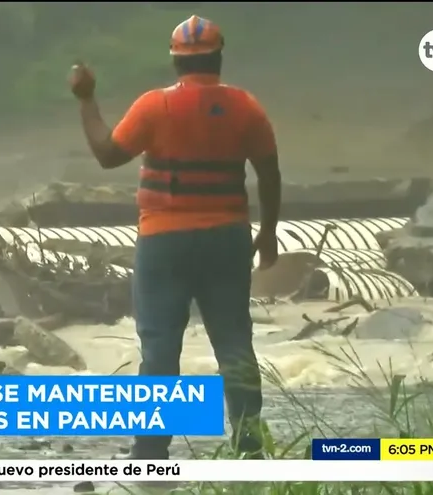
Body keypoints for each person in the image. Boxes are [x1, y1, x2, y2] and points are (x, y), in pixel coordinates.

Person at [69, 15, 281, 460]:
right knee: (234, 341)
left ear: (174, 63)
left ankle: (150, 453)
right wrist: (269, 232)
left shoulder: (154, 106)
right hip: (227, 238)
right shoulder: (246, 107)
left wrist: (86, 99)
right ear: (219, 58)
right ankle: (249, 446)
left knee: (161, 345)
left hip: (164, 241)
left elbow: (108, 154)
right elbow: (269, 173)